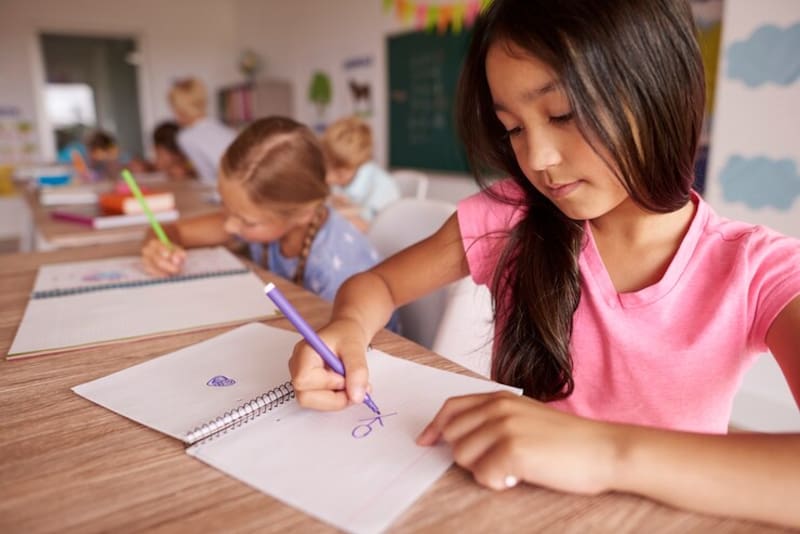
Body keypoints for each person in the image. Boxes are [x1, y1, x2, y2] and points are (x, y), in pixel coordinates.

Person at [288, 0, 800, 528]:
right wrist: (348, 325)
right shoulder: (512, 218)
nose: (538, 159)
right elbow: (378, 283)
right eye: (513, 128)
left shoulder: (760, 269)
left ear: (658, 89)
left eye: (561, 115)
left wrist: (601, 452)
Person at [140, 116, 396, 315]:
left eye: (245, 220)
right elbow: (173, 231)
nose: (229, 224)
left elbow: (354, 348)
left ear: (302, 214)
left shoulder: (334, 266)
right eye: (225, 206)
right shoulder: (256, 215)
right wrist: (158, 246)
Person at [320, 116, 400, 231]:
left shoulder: (382, 187)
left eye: (339, 174)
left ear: (360, 164)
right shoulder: (343, 176)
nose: (328, 178)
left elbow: (375, 229)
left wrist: (337, 214)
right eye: (326, 166)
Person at [168, 77, 236, 183]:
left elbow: (208, 176)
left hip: (220, 191)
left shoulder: (186, 137)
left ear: (181, 110)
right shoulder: (225, 130)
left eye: (174, 109)